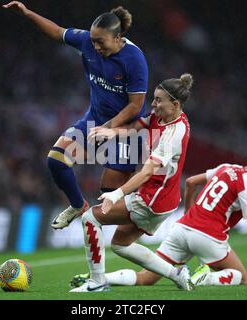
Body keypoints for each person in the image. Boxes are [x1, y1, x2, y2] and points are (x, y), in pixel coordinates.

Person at [3, 2, 149, 229]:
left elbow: (135, 106)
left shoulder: (134, 60)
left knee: (110, 198)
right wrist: (28, 13)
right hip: (94, 121)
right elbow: (57, 32)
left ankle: (141, 222)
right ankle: (78, 205)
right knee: (56, 161)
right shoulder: (88, 42)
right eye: (93, 41)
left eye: (100, 42)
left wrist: (109, 128)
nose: (95, 46)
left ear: (118, 37)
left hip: (125, 132)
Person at [71, 143, 247, 288]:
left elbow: (190, 182)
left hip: (181, 230)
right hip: (209, 237)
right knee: (241, 276)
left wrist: (190, 214)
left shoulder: (226, 167)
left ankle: (99, 279)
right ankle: (205, 277)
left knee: (146, 279)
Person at [69, 74, 194, 292]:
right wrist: (111, 131)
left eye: (158, 100)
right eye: (153, 98)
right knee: (120, 244)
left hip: (151, 199)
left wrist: (116, 194)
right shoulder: (164, 116)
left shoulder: (174, 133)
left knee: (90, 219)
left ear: (175, 104)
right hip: (166, 199)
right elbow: (137, 126)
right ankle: (177, 274)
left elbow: (147, 172)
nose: (153, 104)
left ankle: (97, 282)